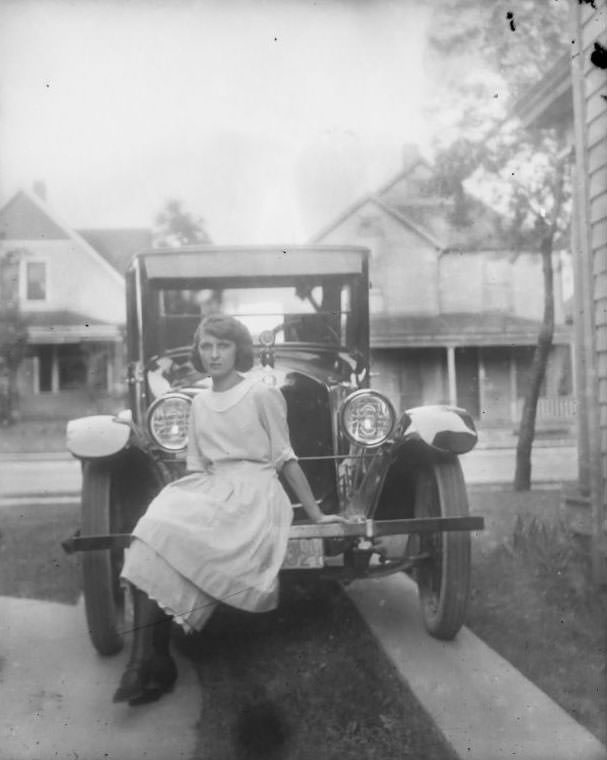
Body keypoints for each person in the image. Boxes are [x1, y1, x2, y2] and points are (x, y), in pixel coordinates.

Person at [114, 313, 346, 706]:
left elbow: (285, 457)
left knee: (166, 529)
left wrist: (318, 515)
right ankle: (149, 660)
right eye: (207, 346)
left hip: (255, 493)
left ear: (238, 350)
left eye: (223, 346)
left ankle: (146, 665)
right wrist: (191, 503)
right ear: (198, 352)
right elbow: (196, 466)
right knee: (154, 528)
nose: (214, 354)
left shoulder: (261, 394)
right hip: (213, 486)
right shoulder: (200, 402)